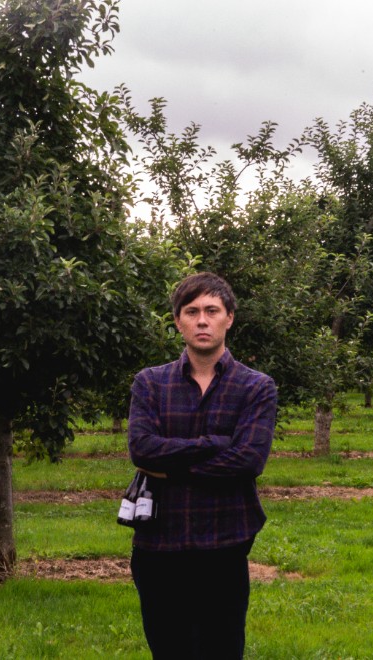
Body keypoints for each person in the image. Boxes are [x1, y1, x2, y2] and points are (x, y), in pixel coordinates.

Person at [126, 272, 277, 659]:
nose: (202, 320)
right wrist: (213, 445)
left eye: (212, 310)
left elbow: (248, 460)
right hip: (159, 544)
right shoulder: (150, 383)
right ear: (178, 321)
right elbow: (142, 450)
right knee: (169, 649)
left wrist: (170, 466)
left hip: (225, 542)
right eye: (191, 311)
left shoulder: (256, 387)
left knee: (222, 648)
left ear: (229, 318)